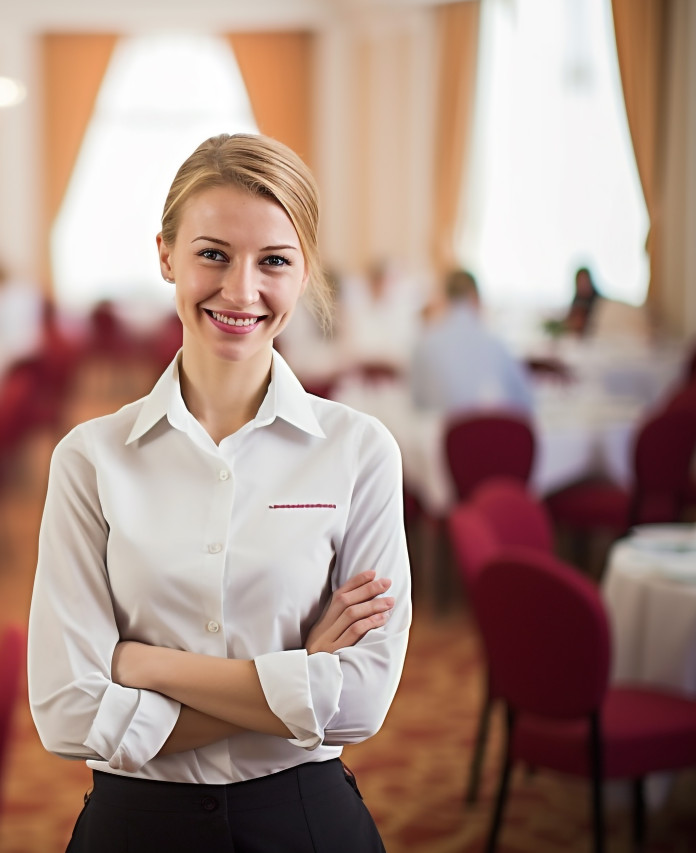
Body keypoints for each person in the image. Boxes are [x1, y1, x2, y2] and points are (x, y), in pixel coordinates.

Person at [28, 133, 410, 852]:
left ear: (304, 273)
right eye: (213, 254)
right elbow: (67, 711)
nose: (241, 290)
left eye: (273, 261)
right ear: (166, 254)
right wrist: (299, 679)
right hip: (134, 827)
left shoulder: (360, 451)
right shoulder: (90, 459)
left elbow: (359, 703)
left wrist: (142, 665)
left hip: (304, 818)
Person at [408, 269, 534, 416]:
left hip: (444, 435)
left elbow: (416, 403)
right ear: (475, 297)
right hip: (494, 435)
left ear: (444, 298)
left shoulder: (424, 345)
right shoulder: (497, 344)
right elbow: (526, 401)